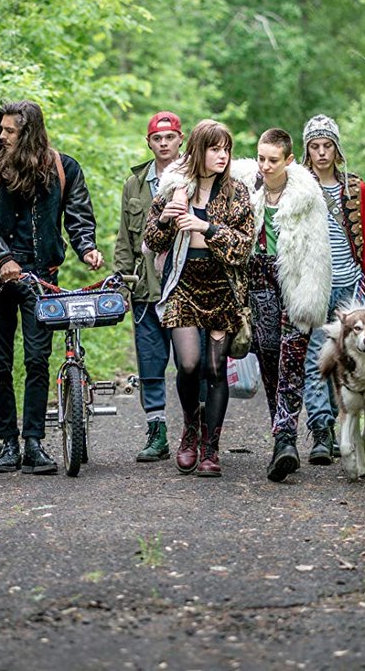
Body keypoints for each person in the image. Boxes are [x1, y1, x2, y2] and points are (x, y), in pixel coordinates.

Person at [0, 100, 104, 475]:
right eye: (0, 129)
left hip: (42, 277)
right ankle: (7, 444)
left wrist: (87, 248)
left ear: (29, 133)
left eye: (10, 131)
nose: (2, 136)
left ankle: (33, 442)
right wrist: (3, 258)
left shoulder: (64, 168)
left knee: (37, 359)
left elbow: (78, 216)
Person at [144, 119, 254, 478]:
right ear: (197, 150)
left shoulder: (237, 192)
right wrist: (165, 220)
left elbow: (243, 247)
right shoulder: (175, 186)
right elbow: (151, 241)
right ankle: (190, 430)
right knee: (189, 364)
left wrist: (207, 227)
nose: (222, 156)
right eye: (215, 149)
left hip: (222, 287)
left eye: (226, 149)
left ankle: (211, 446)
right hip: (183, 284)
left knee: (214, 368)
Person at [230, 129, 332, 482]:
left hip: (295, 282)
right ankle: (282, 438)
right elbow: (200, 170)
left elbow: (319, 251)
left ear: (289, 160)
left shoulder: (307, 195)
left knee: (292, 361)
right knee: (270, 359)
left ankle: (285, 440)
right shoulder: (245, 181)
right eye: (261, 158)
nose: (265, 165)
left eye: (273, 160)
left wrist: (311, 300)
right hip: (258, 279)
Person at [299, 114, 365, 465]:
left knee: (348, 359)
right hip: (315, 284)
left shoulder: (354, 187)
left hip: (351, 284)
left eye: (328, 145)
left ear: (337, 149)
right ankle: (321, 429)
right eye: (315, 146)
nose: (322, 152)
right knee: (315, 358)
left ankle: (345, 427)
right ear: (307, 150)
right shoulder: (299, 185)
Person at [115, 111, 184, 462]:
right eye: (157, 138)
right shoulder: (135, 183)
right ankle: (157, 432)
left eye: (169, 137)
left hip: (186, 288)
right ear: (149, 143)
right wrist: (121, 284)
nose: (164, 143)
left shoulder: (194, 178)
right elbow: (125, 240)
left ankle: (197, 431)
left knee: (192, 364)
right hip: (146, 288)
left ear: (181, 139)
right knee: (151, 362)